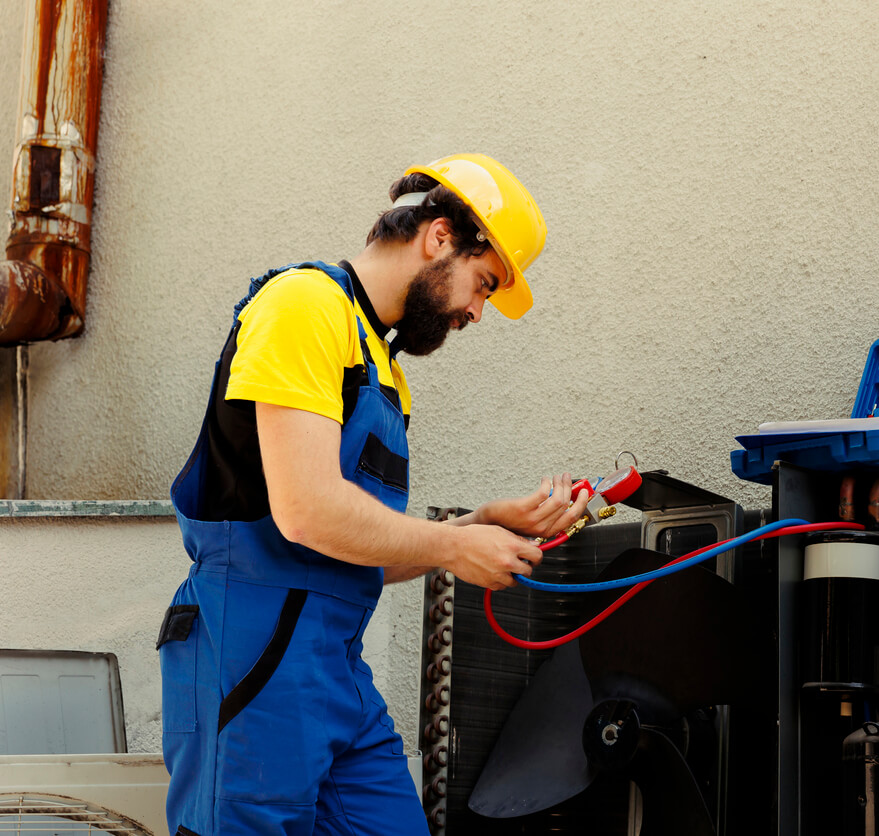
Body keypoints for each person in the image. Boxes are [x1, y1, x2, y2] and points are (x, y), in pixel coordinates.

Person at [157, 153, 588, 835]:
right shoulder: (304, 306)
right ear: (439, 236)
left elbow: (355, 550)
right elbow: (306, 513)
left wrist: (480, 527)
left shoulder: (382, 366)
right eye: (483, 284)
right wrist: (454, 544)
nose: (478, 311)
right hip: (252, 650)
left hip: (334, 669)